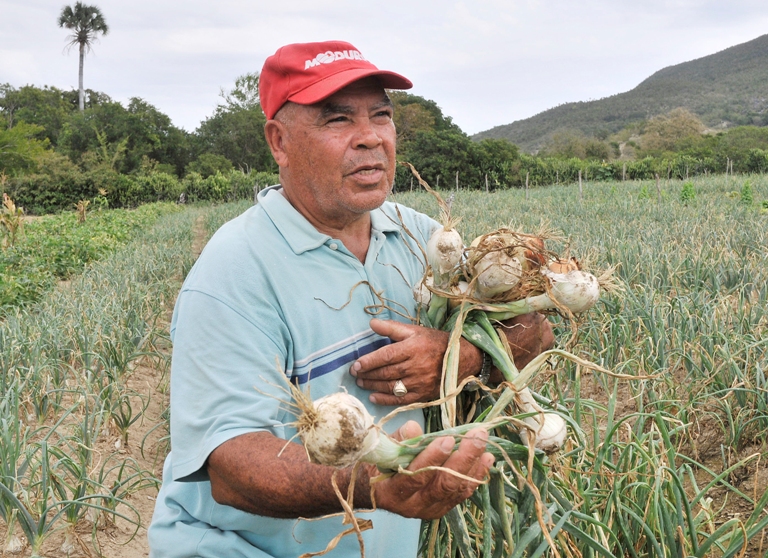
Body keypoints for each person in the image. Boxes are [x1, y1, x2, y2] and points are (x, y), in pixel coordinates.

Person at [147, 40, 554, 557]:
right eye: (338, 121)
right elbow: (230, 465)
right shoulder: (234, 270)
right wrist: (376, 484)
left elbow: (536, 332)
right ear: (280, 141)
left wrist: (462, 357)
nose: (370, 139)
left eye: (381, 116)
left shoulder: (421, 238)